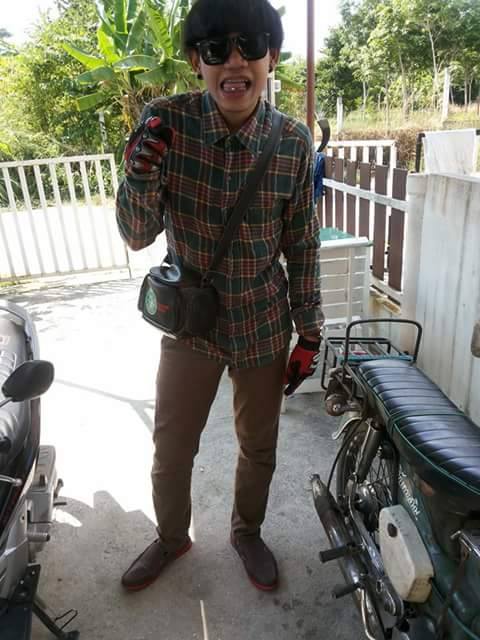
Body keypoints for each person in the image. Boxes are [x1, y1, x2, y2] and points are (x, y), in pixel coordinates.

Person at [116, 0, 324, 593]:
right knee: (171, 445)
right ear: (196, 61)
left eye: (250, 45)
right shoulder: (166, 123)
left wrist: (310, 330)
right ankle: (171, 537)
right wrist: (138, 175)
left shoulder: (292, 142)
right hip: (191, 321)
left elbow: (302, 242)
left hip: (263, 320)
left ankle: (246, 532)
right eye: (216, 48)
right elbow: (136, 235)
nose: (235, 62)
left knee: (259, 446)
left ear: (271, 57)